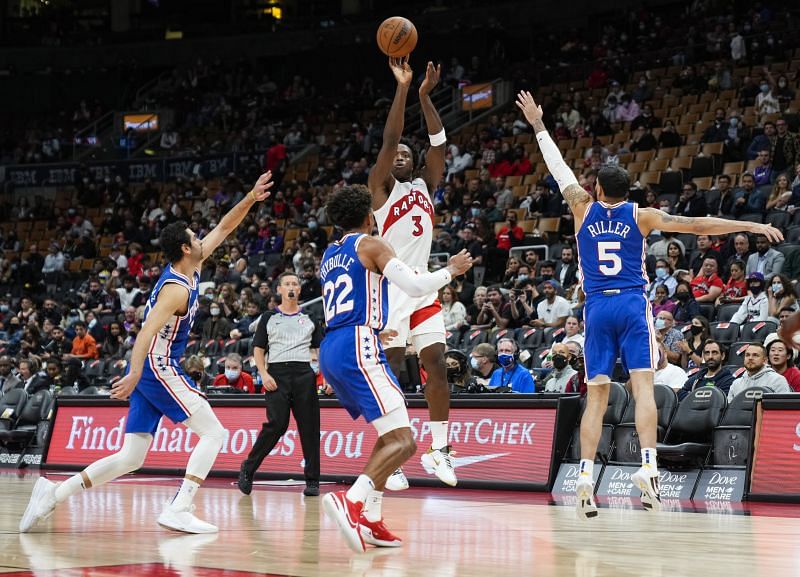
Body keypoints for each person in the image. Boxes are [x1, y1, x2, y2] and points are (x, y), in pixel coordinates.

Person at [516, 89, 782, 519]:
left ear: (597, 187)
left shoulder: (582, 208)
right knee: (643, 388)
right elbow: (697, 225)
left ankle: (584, 473)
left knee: (597, 395)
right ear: (627, 188)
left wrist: (540, 125)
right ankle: (648, 466)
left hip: (596, 308)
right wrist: (751, 223)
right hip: (633, 304)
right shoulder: (641, 215)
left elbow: (557, 166)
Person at [19, 171, 274, 534]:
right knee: (214, 434)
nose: (201, 239)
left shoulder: (191, 266)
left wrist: (250, 196)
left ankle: (52, 494)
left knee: (131, 456)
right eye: (194, 237)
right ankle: (180, 506)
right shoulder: (176, 289)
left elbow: (223, 229)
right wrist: (137, 373)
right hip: (157, 367)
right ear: (187, 248)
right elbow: (143, 333)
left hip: (152, 369)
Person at [318, 184, 472, 552]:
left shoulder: (328, 254)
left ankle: (371, 518)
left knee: (390, 435)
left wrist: (375, 321)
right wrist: (451, 270)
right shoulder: (371, 244)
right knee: (405, 442)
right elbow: (416, 285)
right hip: (358, 346)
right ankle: (351, 500)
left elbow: (351, 297)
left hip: (334, 345)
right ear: (370, 216)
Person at [368, 57, 456, 487]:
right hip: (390, 290)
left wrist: (425, 95)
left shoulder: (425, 185)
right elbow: (389, 138)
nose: (400, 155)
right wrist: (403, 88)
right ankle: (394, 452)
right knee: (394, 375)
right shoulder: (380, 189)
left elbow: (439, 143)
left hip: (421, 285)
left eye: (407, 153)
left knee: (437, 365)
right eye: (396, 155)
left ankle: (439, 450)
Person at [238, 271, 324, 498]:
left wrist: (324, 375)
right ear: (279, 289)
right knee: (277, 424)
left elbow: (319, 350)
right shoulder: (268, 317)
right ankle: (249, 467)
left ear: (300, 289)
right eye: (287, 283)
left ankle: (313, 480)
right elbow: (258, 349)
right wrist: (264, 374)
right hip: (276, 373)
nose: (291, 286)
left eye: (295, 283)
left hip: (304, 374)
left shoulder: (310, 317)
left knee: (310, 427)